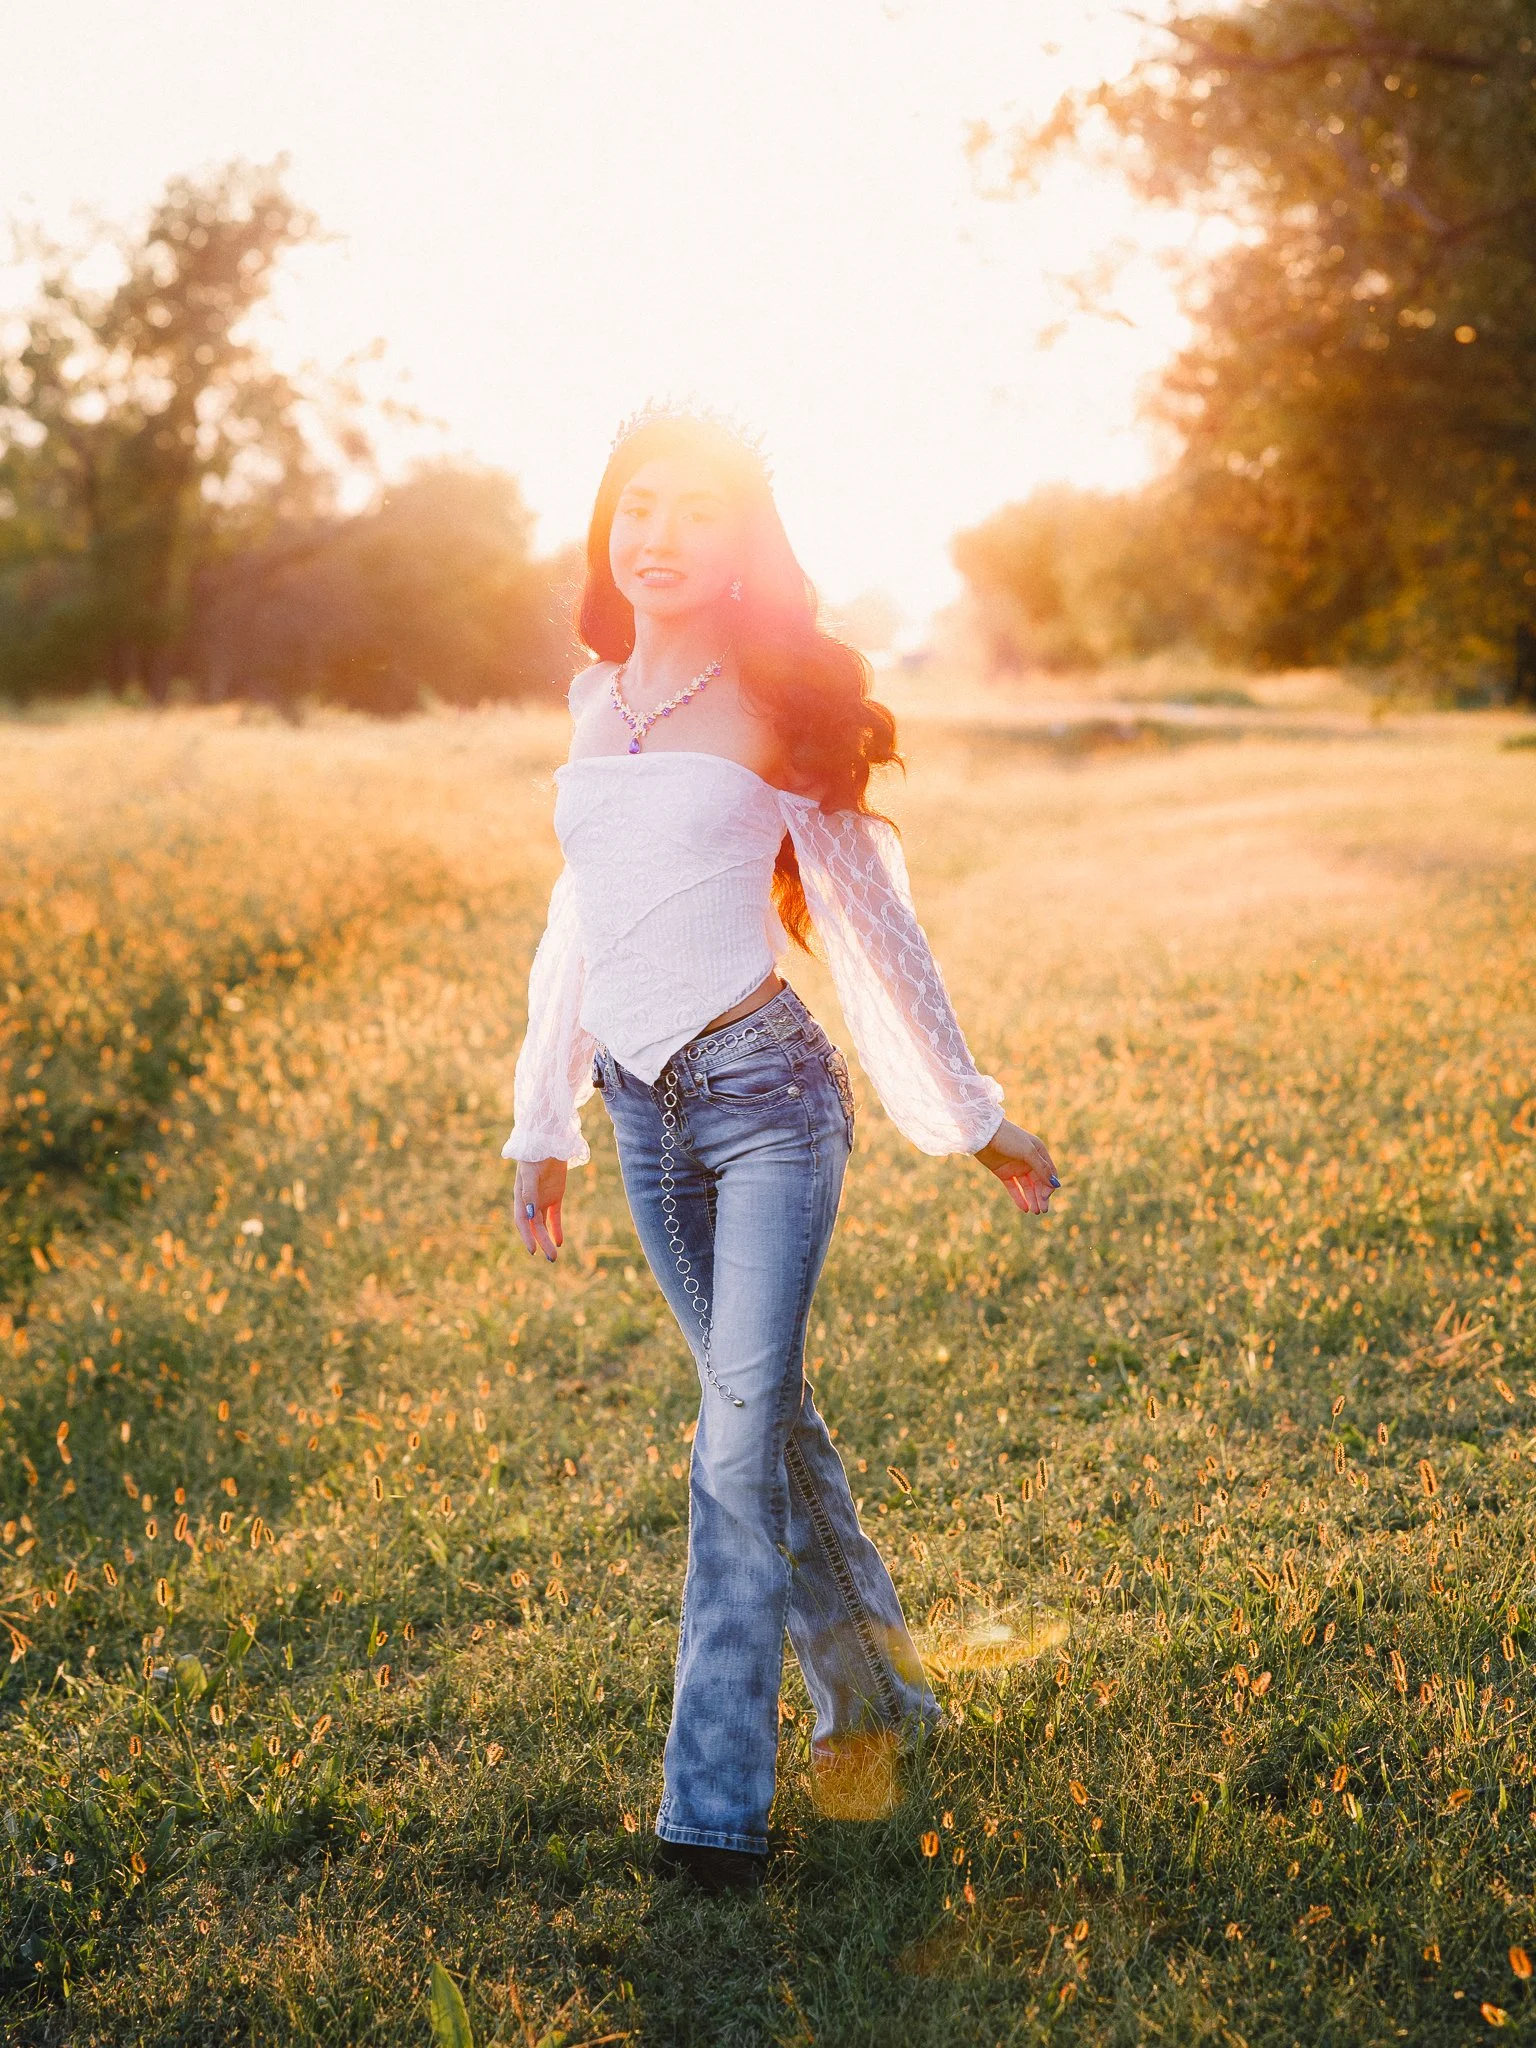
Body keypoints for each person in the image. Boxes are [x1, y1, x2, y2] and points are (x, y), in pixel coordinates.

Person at [501, 403, 1059, 1895]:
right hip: (640, 1112)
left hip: (768, 1102)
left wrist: (969, 1115)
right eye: (637, 507)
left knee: (731, 1452)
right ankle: (881, 1694)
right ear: (607, 530)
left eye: (696, 510)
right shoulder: (591, 696)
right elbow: (578, 922)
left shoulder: (773, 700)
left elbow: (874, 921)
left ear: (743, 541)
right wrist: (542, 1120)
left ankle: (712, 1813)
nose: (660, 534)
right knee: (769, 1422)